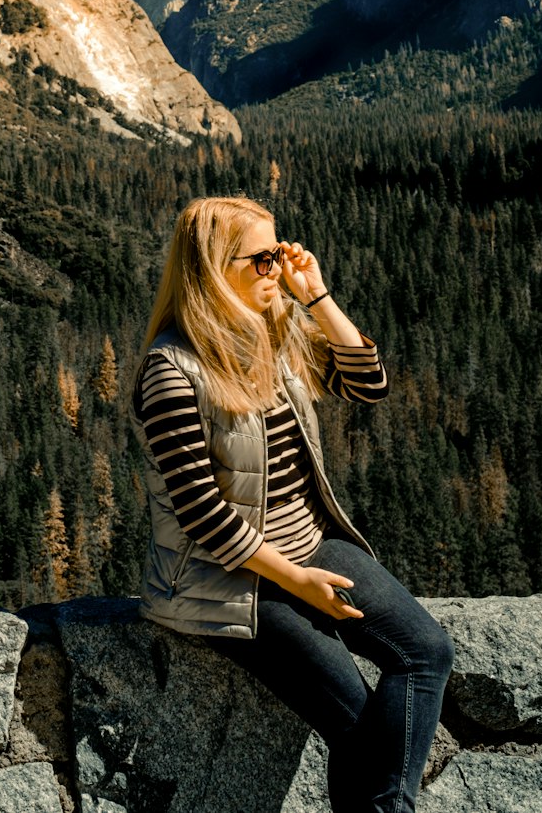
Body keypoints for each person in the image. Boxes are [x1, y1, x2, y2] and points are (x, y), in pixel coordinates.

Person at [130, 196, 454, 813]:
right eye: (263, 259)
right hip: (225, 578)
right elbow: (201, 514)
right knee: (359, 720)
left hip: (310, 542)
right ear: (214, 268)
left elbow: (369, 384)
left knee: (427, 653)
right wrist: (299, 583)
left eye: (280, 252)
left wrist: (317, 297)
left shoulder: (274, 331)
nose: (277, 267)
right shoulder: (171, 369)